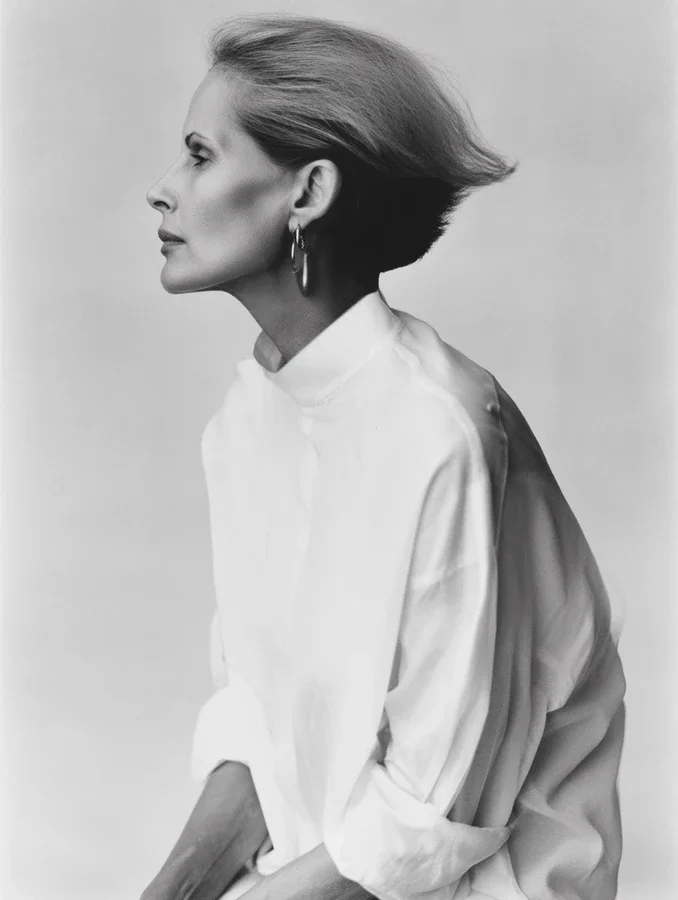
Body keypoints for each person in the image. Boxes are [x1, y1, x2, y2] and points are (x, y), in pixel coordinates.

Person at [142, 14, 625, 900]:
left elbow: (424, 824)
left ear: (309, 192)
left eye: (200, 155)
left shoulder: (444, 432)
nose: (162, 190)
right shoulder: (246, 419)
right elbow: (258, 736)